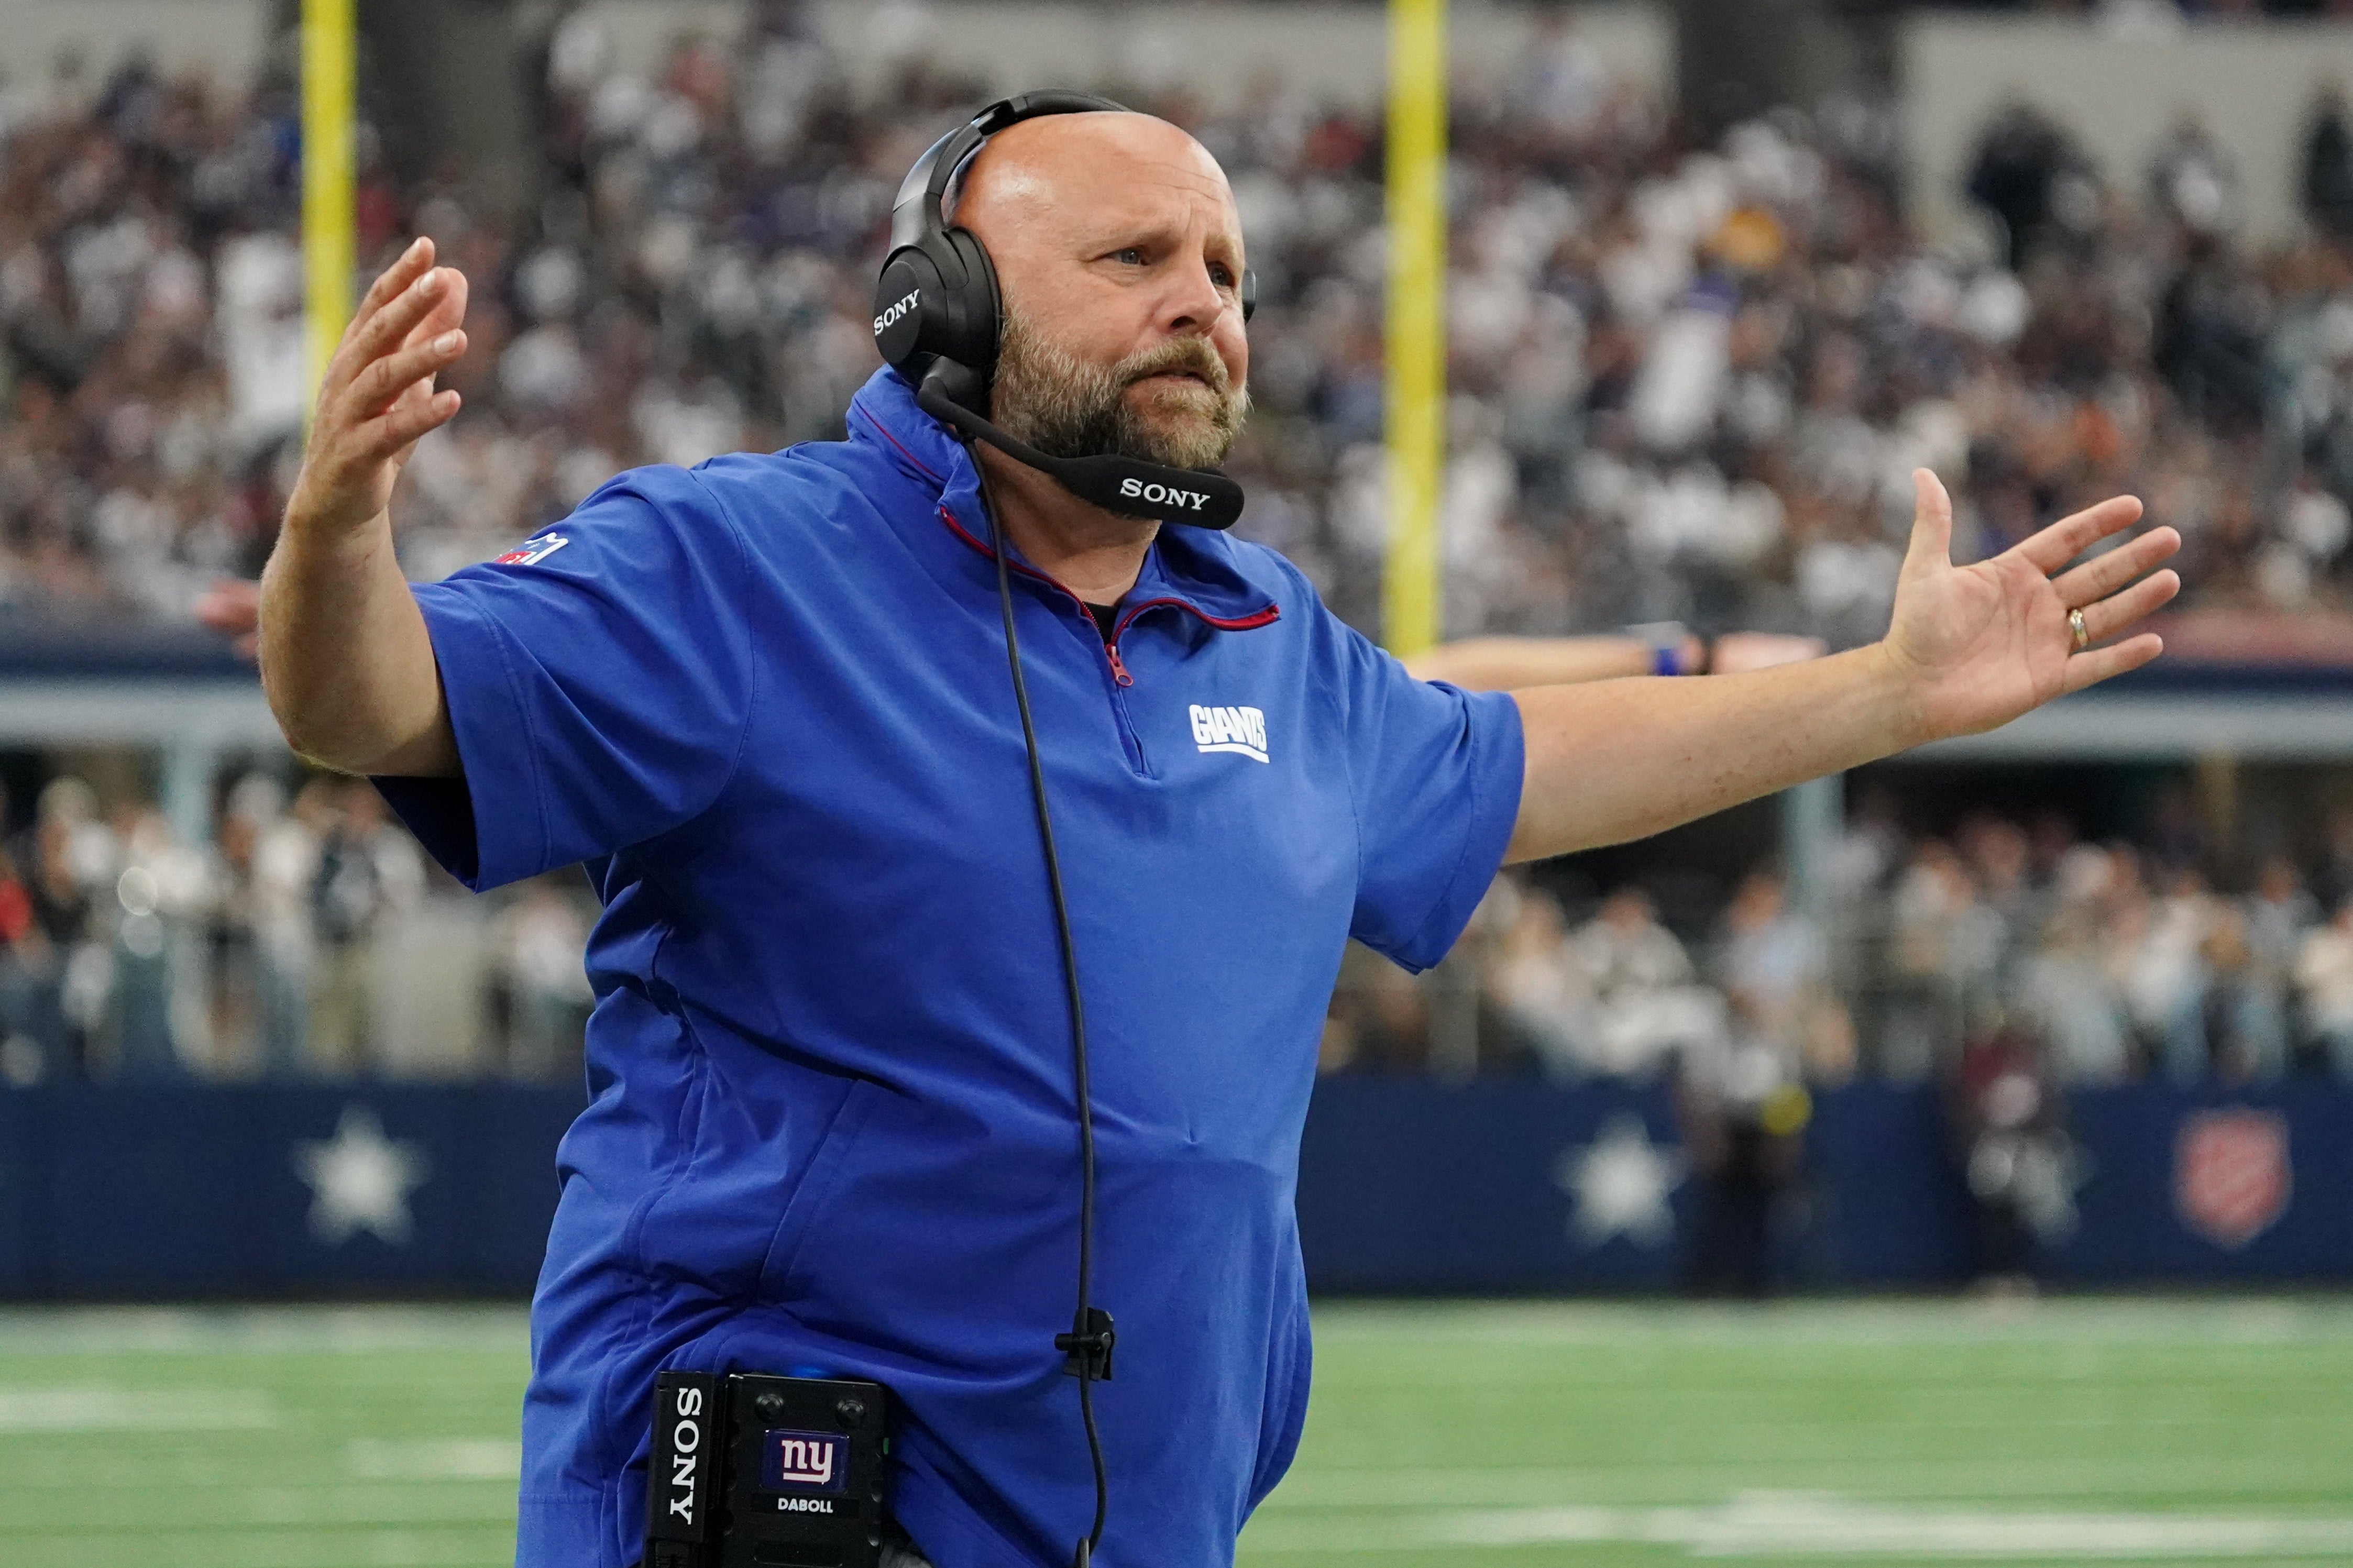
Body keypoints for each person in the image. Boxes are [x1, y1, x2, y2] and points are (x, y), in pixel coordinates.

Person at [257, 104, 2178, 1568]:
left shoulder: (1261, 630)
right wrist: (337, 532)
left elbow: (1526, 761)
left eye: (1229, 270)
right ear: (947, 302)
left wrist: (1888, 696)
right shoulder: (736, 562)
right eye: (1133, 257)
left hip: (1135, 1509)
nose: (1203, 299)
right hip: (783, 1492)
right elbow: (377, 702)